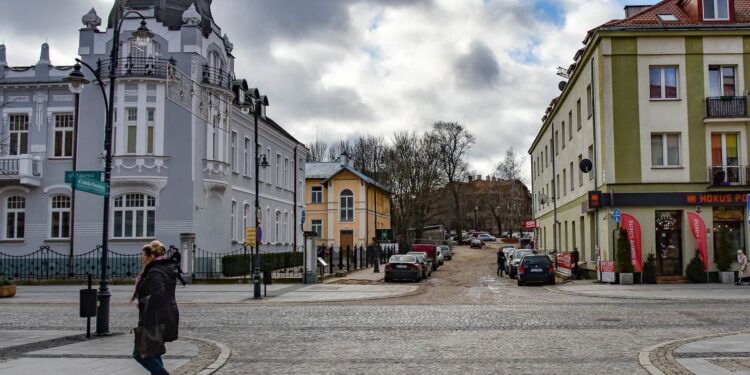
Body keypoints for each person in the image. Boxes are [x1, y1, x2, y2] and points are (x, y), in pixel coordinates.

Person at [132, 243, 180, 375]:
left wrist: (141, 303)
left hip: (155, 316)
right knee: (153, 351)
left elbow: (157, 294)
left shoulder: (155, 271)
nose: (142, 258)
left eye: (144, 255)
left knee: (140, 353)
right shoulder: (163, 268)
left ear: (151, 256)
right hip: (162, 314)